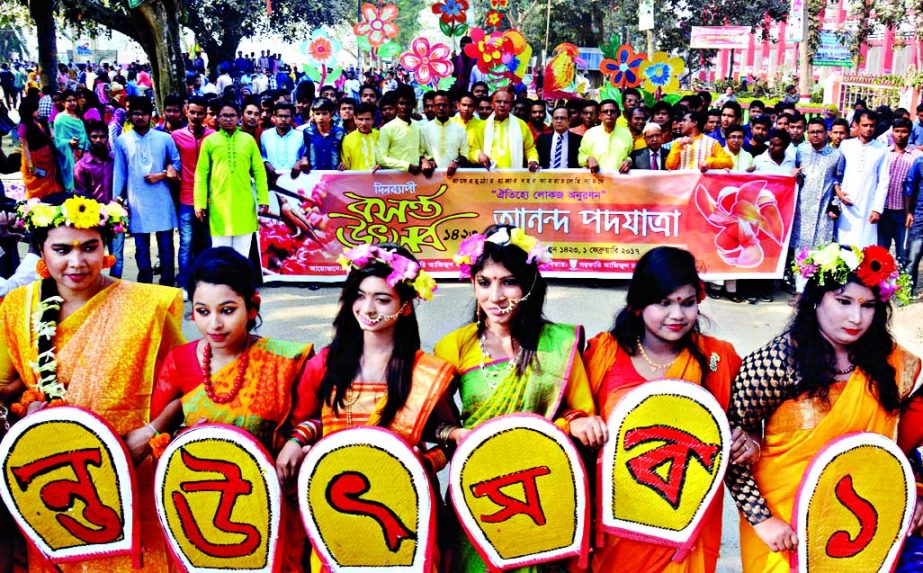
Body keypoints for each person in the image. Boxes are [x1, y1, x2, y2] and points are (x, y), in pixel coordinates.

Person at [0, 193, 184, 573]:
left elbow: (189, 382)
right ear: (41, 252)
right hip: (52, 474)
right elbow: (5, 386)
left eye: (90, 247)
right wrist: (23, 413)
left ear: (108, 247)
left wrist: (150, 432)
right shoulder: (18, 308)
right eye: (62, 249)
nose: (76, 262)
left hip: (133, 467)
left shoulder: (144, 306)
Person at [726, 243, 920, 572]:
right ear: (816, 298)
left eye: (868, 306)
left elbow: (906, 444)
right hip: (786, 526)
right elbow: (730, 448)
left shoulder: (893, 364)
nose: (856, 318)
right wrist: (763, 520)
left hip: (865, 522)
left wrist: (917, 491)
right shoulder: (775, 363)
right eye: (843, 301)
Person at [434, 224, 607, 573]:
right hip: (479, 491)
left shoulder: (559, 342)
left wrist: (580, 422)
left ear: (528, 285)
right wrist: (455, 435)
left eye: (508, 282)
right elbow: (435, 425)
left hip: (544, 487)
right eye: (484, 282)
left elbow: (580, 412)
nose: (495, 296)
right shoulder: (454, 347)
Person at [276, 243, 452, 570]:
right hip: (333, 506)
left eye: (382, 299)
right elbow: (315, 421)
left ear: (407, 306)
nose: (368, 308)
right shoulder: (325, 364)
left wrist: (421, 465)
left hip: (404, 507)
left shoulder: (424, 371)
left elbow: (445, 440)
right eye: (360, 295)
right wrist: (295, 441)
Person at [149, 246, 313, 572]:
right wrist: (184, 434)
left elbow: (312, 421)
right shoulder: (178, 362)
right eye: (202, 311)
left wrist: (296, 443)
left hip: (274, 504)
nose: (215, 324)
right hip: (202, 507)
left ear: (253, 307)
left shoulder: (287, 360)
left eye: (227, 310)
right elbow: (158, 440)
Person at [585, 246, 746, 573]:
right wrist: (580, 423)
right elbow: (570, 418)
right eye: (664, 302)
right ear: (638, 303)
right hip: (618, 522)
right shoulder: (603, 352)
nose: (677, 315)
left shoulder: (718, 358)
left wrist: (749, 444)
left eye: (687, 303)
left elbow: (747, 426)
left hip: (684, 527)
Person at [113, 96, 180, 286]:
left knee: (166, 246)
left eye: (143, 113)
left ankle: (167, 283)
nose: (140, 117)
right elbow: (120, 172)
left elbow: (177, 164)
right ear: (129, 116)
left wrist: (162, 174)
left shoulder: (164, 138)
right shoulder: (122, 141)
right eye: (135, 114)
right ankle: (144, 284)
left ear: (150, 116)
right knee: (141, 247)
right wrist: (117, 200)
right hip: (137, 201)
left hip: (161, 199)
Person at [195, 100, 270, 258]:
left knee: (242, 254)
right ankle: (224, 283)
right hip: (219, 207)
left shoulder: (248, 140)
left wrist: (263, 199)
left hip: (244, 205)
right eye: (224, 116)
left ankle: (239, 283)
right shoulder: (210, 141)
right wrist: (199, 203)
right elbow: (201, 174)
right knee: (221, 254)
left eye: (232, 116)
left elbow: (259, 171)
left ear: (239, 118)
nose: (228, 119)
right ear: (218, 118)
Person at [74, 121, 123, 278]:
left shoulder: (116, 160)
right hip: (93, 219)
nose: (98, 140)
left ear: (107, 138)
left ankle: (114, 290)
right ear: (89, 138)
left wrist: (121, 202)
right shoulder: (81, 166)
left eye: (102, 137)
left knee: (117, 257)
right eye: (94, 137)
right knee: (94, 256)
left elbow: (124, 184)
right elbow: (81, 195)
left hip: (116, 216)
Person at [836, 109, 891, 247]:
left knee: (864, 244)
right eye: (865, 125)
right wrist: (839, 194)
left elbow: (884, 181)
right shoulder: (846, 145)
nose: (869, 129)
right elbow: (837, 173)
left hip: (868, 203)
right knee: (842, 242)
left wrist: (877, 209)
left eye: (872, 125)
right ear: (857, 124)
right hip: (846, 201)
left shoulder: (882, 149)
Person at [792, 118, 841, 255]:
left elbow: (839, 181)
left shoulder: (835, 155)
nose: (815, 135)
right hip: (801, 208)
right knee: (798, 247)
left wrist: (835, 205)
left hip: (822, 207)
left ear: (827, 133)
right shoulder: (801, 150)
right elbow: (795, 171)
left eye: (819, 132)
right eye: (812, 132)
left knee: (820, 250)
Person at [880, 117, 920, 269]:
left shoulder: (917, 156)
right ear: (892, 132)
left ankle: (901, 287)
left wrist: (911, 211)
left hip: (903, 212)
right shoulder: (885, 153)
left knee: (902, 253)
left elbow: (916, 186)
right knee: (881, 251)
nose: (900, 135)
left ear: (909, 133)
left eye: (904, 132)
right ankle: (881, 287)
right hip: (883, 210)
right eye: (897, 131)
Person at [474, 89, 539, 171]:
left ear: (511, 105)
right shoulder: (482, 126)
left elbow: (529, 148)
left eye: (506, 102)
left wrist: (533, 160)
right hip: (488, 177)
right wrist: (478, 155)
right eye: (498, 101)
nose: (502, 105)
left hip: (513, 177)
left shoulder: (521, 125)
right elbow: (473, 149)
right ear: (492, 104)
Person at [376, 86, 434, 174]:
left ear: (414, 105)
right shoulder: (387, 129)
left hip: (416, 179)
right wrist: (408, 166)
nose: (404, 107)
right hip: (394, 180)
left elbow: (421, 151)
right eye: (401, 103)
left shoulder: (418, 127)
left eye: (408, 104)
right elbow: (381, 158)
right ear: (396, 105)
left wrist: (426, 160)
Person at [18, 97, 62, 199]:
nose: (38, 111)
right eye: (36, 110)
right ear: (29, 111)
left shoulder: (36, 122)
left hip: (46, 157)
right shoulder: (23, 126)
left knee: (47, 179)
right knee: (38, 181)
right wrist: (30, 165)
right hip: (35, 159)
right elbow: (25, 146)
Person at [578, 99, 633, 173]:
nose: (609, 114)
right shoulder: (590, 134)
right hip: (596, 180)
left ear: (619, 114)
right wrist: (588, 159)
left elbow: (629, 156)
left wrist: (628, 161)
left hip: (619, 180)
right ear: (599, 115)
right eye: (605, 111)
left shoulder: (626, 134)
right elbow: (581, 157)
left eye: (612, 111)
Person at [666, 111, 733, 172]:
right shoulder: (677, 142)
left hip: (702, 184)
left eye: (684, 120)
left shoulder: (712, 143)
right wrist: (679, 145)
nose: (680, 123)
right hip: (683, 184)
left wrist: (708, 162)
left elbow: (728, 162)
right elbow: (669, 166)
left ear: (694, 123)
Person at [422, 90, 468, 176]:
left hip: (454, 177)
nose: (441, 108)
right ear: (434, 107)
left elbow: (465, 154)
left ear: (450, 107)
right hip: (429, 178)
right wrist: (427, 160)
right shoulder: (424, 129)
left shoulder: (460, 129)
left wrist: (456, 161)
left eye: (444, 105)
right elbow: (420, 152)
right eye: (438, 105)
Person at [53, 89, 89, 192]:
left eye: (74, 100)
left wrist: (85, 147)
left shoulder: (79, 116)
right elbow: (58, 140)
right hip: (70, 154)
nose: (72, 103)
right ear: (63, 103)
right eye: (69, 100)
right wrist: (68, 142)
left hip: (84, 152)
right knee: (74, 181)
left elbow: (84, 134)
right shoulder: (60, 119)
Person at [261, 102, 305, 178]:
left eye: (286, 116)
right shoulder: (265, 135)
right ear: (274, 117)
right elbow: (262, 155)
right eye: (280, 116)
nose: (283, 119)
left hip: (295, 179)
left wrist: (299, 162)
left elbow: (305, 157)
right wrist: (265, 163)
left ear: (292, 117)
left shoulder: (300, 136)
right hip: (271, 180)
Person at [537, 105, 582, 169]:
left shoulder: (578, 140)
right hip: (547, 177)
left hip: (570, 177)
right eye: (556, 118)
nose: (559, 121)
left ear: (569, 120)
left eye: (562, 118)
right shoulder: (543, 139)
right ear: (552, 120)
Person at [339, 102, 379, 171]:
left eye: (367, 119)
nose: (364, 123)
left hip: (379, 178)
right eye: (360, 119)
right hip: (356, 179)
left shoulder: (380, 135)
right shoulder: (347, 139)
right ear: (355, 119)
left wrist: (381, 165)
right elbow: (346, 165)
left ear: (373, 119)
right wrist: (342, 167)